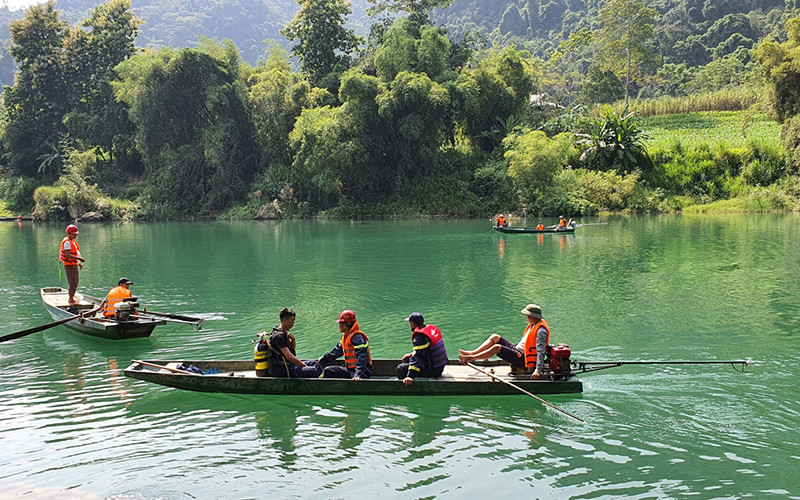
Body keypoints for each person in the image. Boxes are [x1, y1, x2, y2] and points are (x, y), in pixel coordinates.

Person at [458, 303, 551, 379]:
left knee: (497, 348)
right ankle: (472, 353)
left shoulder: (541, 331)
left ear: (533, 316)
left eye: (527, 315)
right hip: (518, 350)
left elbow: (540, 352)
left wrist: (537, 371)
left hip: (523, 359)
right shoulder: (533, 325)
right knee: (495, 337)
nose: (526, 317)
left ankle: (471, 358)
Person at [263, 308, 322, 378]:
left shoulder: (283, 333)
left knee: (315, 364)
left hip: (289, 365)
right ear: (285, 320)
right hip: (283, 370)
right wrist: (304, 365)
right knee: (314, 370)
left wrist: (293, 342)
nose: (293, 323)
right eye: (292, 320)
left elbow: (292, 353)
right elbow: (289, 357)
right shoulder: (279, 336)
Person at [318, 310, 373, 380]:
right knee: (328, 371)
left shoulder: (357, 338)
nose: (339, 326)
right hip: (350, 370)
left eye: (340, 324)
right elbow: (336, 352)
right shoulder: (345, 337)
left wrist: (358, 375)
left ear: (345, 326)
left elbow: (362, 358)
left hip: (362, 372)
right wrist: (323, 358)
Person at [396, 312, 449, 386]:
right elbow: (425, 350)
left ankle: (405, 388)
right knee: (407, 360)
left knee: (400, 368)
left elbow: (419, 357)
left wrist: (410, 376)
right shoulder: (429, 330)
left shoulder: (420, 337)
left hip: (434, 370)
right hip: (439, 366)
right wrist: (411, 354)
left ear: (413, 324)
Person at [59, 224, 86, 305]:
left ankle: (72, 296)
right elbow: (68, 255)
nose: (75, 236)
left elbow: (76, 253)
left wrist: (79, 263)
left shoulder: (72, 241)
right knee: (72, 282)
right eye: (74, 234)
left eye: (76, 234)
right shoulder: (67, 242)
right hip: (69, 265)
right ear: (69, 233)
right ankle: (70, 299)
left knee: (76, 281)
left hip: (74, 264)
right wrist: (79, 259)